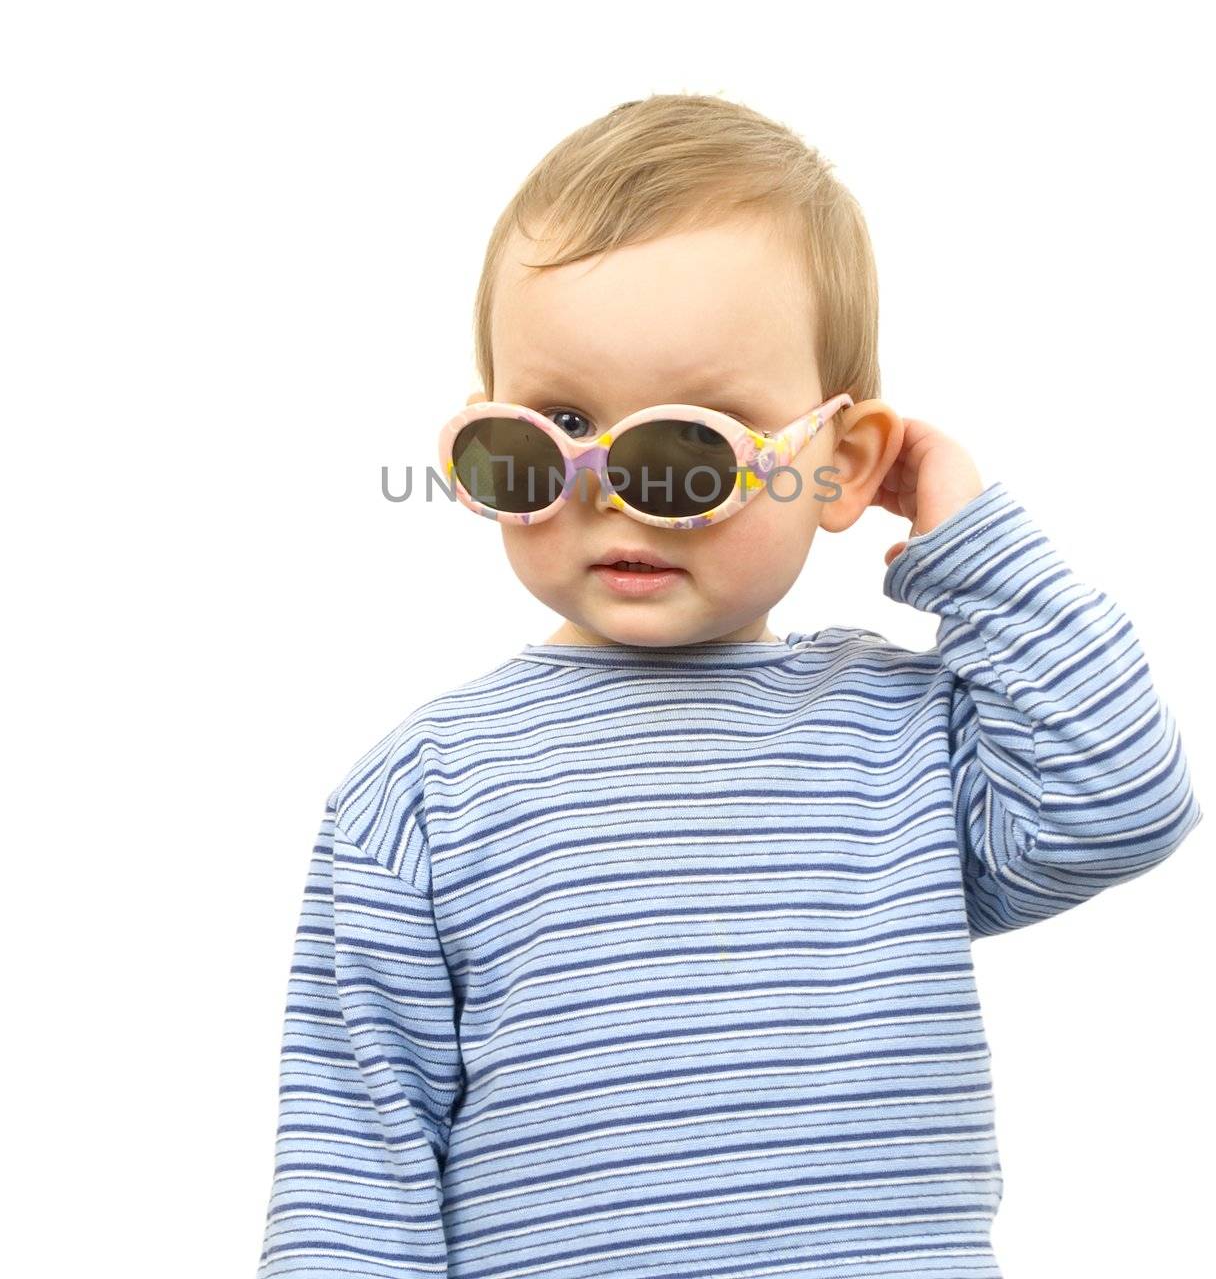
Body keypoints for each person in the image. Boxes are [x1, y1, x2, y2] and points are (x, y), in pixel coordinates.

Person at [255, 94, 1201, 1278]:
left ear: (840, 465)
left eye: (686, 448)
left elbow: (1117, 803)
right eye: (547, 431)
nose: (604, 488)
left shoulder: (902, 740)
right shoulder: (422, 793)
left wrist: (972, 544)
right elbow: (356, 1170)